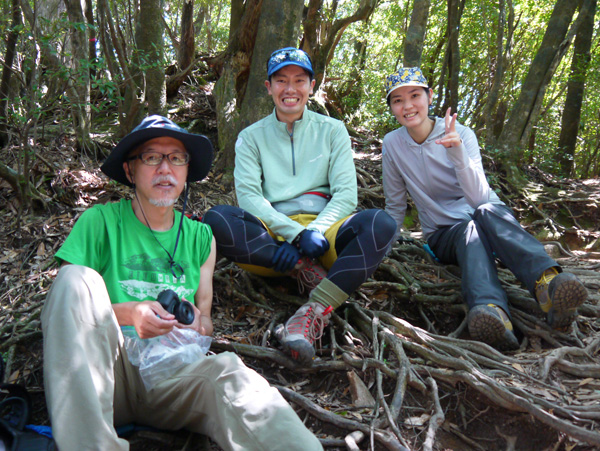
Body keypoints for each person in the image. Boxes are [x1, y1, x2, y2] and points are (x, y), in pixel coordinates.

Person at [41, 115, 323, 451]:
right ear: (130, 171)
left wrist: (193, 322)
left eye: (176, 158)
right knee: (76, 278)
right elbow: (67, 308)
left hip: (172, 374)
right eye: (151, 157)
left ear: (187, 172)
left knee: (228, 372)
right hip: (105, 374)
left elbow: (205, 325)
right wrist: (131, 314)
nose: (165, 169)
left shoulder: (201, 237)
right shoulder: (100, 221)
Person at [203, 48, 396, 365]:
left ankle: (313, 310)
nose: (289, 89)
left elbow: (346, 194)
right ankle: (305, 270)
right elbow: (250, 197)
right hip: (274, 242)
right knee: (217, 218)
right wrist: (294, 235)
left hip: (327, 235)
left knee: (381, 224)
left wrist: (315, 231)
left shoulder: (333, 130)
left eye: (298, 80)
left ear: (311, 85)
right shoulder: (250, 137)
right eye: (281, 80)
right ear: (268, 87)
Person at [381, 68, 588, 350]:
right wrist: (383, 246)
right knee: (469, 229)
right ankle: (492, 313)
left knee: (486, 211)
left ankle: (547, 284)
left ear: (429, 97)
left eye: (414, 95)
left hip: (489, 220)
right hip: (445, 234)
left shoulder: (461, 133)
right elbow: (394, 203)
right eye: (397, 100)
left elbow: (479, 198)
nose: (407, 106)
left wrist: (457, 153)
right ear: (392, 107)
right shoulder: (393, 144)